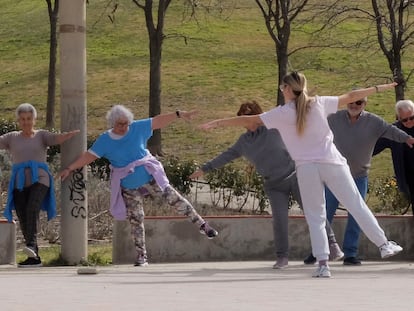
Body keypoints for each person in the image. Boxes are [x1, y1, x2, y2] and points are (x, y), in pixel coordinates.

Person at [199, 71, 404, 278]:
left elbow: (251, 120)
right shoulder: (318, 103)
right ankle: (384, 244)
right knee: (355, 204)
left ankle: (323, 264)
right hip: (331, 163)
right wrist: (379, 88)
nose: (282, 91)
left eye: (282, 88)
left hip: (306, 168)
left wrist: (217, 123)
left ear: (288, 89)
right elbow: (350, 96)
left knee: (316, 216)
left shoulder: (281, 113)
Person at [59, 105, 218, 267]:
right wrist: (69, 168)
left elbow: (157, 121)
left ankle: (202, 225)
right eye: (119, 124)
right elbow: (89, 156)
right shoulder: (105, 140)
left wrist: (177, 114)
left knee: (174, 198)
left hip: (150, 177)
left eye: (126, 123)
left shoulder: (136, 128)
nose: (123, 127)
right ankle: (142, 256)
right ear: (112, 123)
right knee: (136, 218)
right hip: (129, 186)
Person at [303, 95, 414, 266]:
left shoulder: (373, 122)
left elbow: (390, 130)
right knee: (324, 214)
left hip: (359, 176)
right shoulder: (334, 117)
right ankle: (318, 251)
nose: (355, 105)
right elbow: (315, 126)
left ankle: (350, 253)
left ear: (365, 104)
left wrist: (407, 138)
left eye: (359, 102)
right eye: (351, 102)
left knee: (358, 215)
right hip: (334, 174)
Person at [0, 103, 80, 267]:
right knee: (23, 215)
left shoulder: (41, 136)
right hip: (19, 181)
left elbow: (55, 138)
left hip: (40, 179)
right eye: (22, 119)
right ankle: (34, 257)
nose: (26, 122)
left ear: (34, 120)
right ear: (18, 120)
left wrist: (68, 135)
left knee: (32, 208)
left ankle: (30, 245)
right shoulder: (12, 137)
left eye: (29, 119)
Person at [374, 99, 414, 215]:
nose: (409, 122)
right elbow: (373, 148)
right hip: (409, 180)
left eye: (412, 118)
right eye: (405, 120)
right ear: (398, 118)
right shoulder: (393, 131)